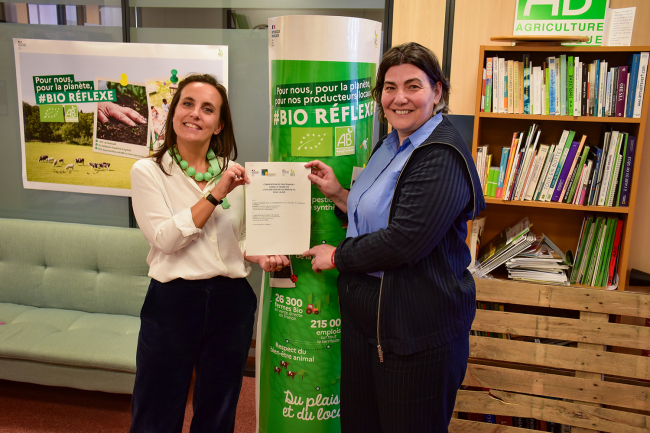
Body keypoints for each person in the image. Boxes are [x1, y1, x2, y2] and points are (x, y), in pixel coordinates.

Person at [303, 42, 486, 433]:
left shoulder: (441, 155)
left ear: (438, 92)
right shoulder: (390, 145)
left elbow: (405, 240)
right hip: (366, 320)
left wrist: (337, 257)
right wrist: (338, 194)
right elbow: (381, 214)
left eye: (413, 86)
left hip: (413, 331)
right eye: (389, 87)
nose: (399, 98)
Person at [129, 74, 289, 433]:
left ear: (219, 125)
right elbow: (166, 240)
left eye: (207, 109)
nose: (195, 114)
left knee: (219, 407)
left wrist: (261, 256)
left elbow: (241, 237)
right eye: (187, 104)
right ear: (173, 114)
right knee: (157, 405)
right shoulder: (149, 172)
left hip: (230, 303)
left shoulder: (232, 174)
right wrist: (215, 193)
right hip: (173, 302)